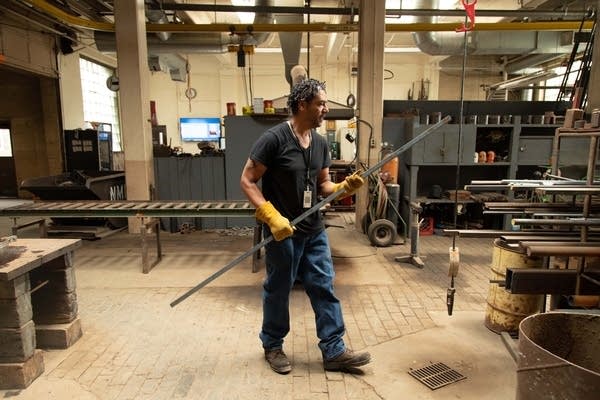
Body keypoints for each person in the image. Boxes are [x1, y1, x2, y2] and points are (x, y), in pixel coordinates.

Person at [240, 78, 371, 374]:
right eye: (320, 104)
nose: (325, 109)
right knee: (278, 288)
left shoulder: (321, 143)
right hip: (283, 231)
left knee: (323, 286)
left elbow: (323, 184)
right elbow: (247, 181)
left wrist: (343, 187)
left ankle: (334, 350)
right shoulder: (273, 140)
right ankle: (272, 344)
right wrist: (270, 214)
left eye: (324, 104)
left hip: (314, 230)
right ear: (302, 105)